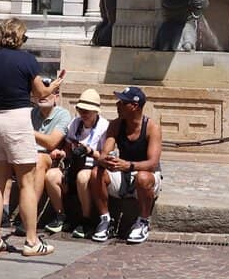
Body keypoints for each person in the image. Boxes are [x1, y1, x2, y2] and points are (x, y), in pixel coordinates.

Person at [0, 19, 64, 256]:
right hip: (17, 119)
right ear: (19, 37)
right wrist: (55, 84)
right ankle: (32, 242)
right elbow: (40, 92)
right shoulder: (26, 60)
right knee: (26, 182)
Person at [90, 85, 163, 245]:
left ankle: (143, 221)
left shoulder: (152, 128)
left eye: (122, 103)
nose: (117, 105)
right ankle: (105, 219)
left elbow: (152, 163)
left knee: (143, 178)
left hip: (145, 174)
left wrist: (129, 166)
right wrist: (105, 159)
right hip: (124, 172)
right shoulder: (116, 125)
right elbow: (105, 151)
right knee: (96, 172)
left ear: (135, 106)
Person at [44, 87, 108, 238]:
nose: (83, 114)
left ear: (96, 112)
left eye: (87, 111)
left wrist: (89, 151)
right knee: (51, 175)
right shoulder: (75, 123)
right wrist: (62, 153)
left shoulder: (104, 127)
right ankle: (60, 216)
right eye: (81, 110)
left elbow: (106, 157)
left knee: (83, 177)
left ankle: (86, 220)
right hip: (73, 166)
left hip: (92, 168)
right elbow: (67, 145)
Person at [31, 83, 71, 219]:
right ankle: (3, 211)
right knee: (4, 161)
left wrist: (28, 131)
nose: (43, 96)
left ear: (56, 97)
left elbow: (51, 143)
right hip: (28, 154)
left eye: (48, 93)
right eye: (40, 92)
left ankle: (30, 213)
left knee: (39, 159)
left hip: (51, 157)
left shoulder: (63, 114)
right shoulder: (32, 113)